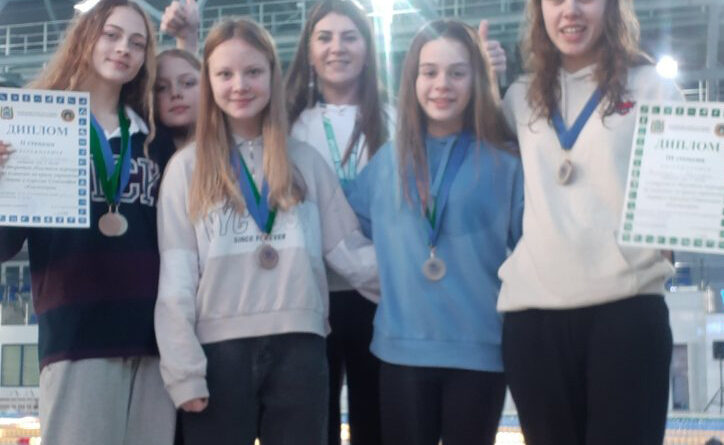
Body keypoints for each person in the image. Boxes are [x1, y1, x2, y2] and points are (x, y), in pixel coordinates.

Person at [154, 17, 379, 445]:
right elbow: (177, 280)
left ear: (272, 76)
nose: (240, 85)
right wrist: (183, 370)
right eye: (225, 74)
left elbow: (351, 253)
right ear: (209, 82)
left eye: (253, 71)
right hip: (218, 355)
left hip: (301, 350)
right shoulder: (186, 169)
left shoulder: (306, 162)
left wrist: (422, 284)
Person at [498, 1, 682, 444]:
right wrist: (480, 79)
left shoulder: (652, 88)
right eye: (556, 1)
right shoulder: (519, 97)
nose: (571, 11)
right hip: (535, 320)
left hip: (626, 311)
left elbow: (685, 190)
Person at [0, 1, 176, 444]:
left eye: (137, 43)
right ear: (85, 38)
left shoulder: (155, 138)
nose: (124, 49)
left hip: (154, 336)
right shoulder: (39, 128)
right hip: (77, 334)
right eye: (111, 35)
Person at [346, 18, 523, 445]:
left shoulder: (505, 163)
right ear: (413, 80)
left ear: (476, 80)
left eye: (457, 72)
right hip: (400, 350)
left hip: (479, 352)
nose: (442, 84)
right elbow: (348, 229)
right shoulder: (387, 162)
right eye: (430, 72)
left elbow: (528, 250)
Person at [285, 1, 389, 443]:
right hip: (312, 298)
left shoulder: (396, 119)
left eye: (349, 37)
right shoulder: (288, 126)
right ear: (308, 52)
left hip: (382, 296)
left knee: (377, 422)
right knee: (314, 425)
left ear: (367, 49)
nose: (337, 48)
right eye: (324, 38)